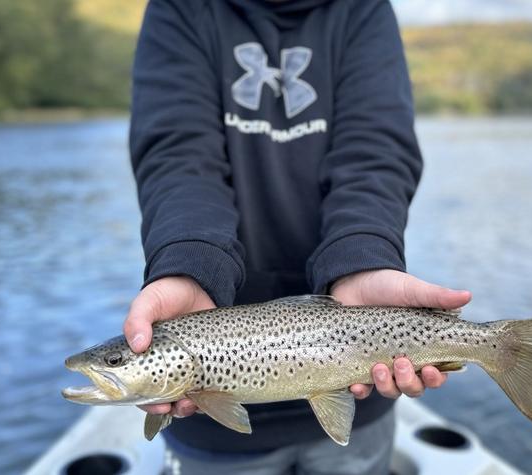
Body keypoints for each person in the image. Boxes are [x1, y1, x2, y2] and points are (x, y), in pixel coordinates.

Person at [123, 0, 471, 473]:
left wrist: (362, 260)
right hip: (213, 422)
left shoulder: (364, 9)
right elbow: (178, 158)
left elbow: (375, 153)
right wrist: (191, 266)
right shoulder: (179, 8)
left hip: (361, 383)